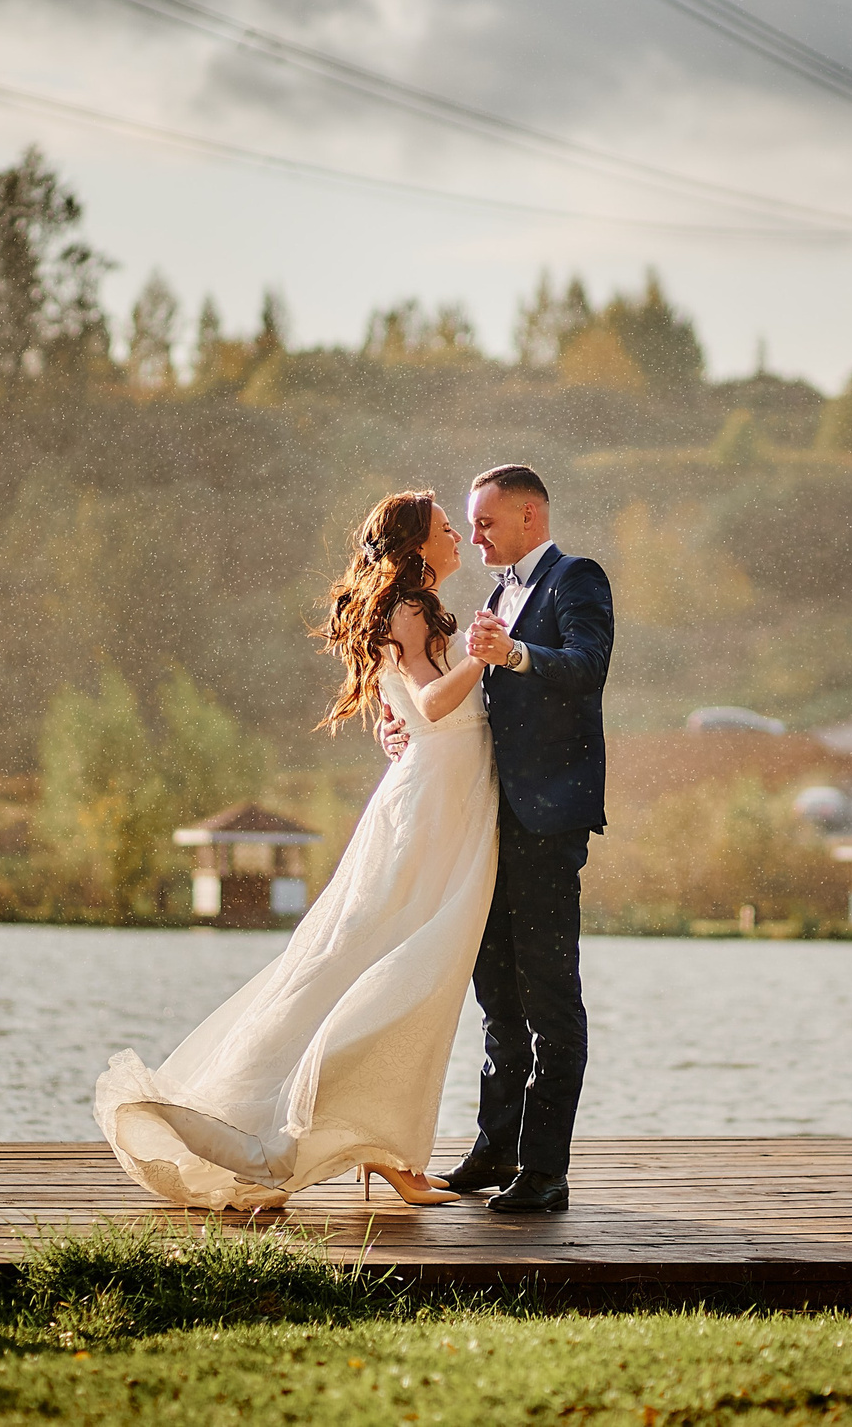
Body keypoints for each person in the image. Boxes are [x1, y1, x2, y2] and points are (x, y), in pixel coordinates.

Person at [92, 491, 495, 1210]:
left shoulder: (414, 608)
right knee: (387, 969)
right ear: (414, 545)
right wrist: (491, 658)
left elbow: (411, 706)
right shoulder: (406, 607)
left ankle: (386, 1148)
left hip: (447, 797)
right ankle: (346, 1141)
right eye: (444, 530)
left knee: (406, 972)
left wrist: (423, 705)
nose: (459, 538)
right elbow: (433, 704)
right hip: (432, 806)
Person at [381, 463, 613, 1214]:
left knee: (551, 1003)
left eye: (485, 521)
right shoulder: (491, 596)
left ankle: (545, 1173)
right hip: (483, 825)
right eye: (469, 523)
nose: (473, 534)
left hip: (546, 826)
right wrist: (404, 725)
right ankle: (495, 1151)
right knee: (498, 1001)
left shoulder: (578, 579)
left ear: (531, 517)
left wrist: (515, 654)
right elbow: (462, 700)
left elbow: (586, 669)